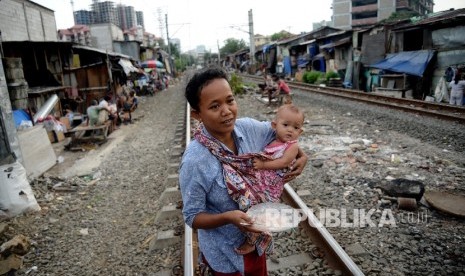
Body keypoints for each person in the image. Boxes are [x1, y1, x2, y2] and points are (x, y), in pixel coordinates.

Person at [179, 67, 308, 275]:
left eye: (230, 101)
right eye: (214, 106)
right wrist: (228, 217)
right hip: (226, 254)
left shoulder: (248, 129)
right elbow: (192, 216)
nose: (227, 111)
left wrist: (302, 155)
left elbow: (284, 132)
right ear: (197, 114)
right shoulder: (195, 161)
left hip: (258, 244)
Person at [235, 104, 304, 255]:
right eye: (285, 125)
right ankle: (251, 235)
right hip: (261, 184)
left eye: (296, 128)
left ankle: (253, 241)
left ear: (300, 131)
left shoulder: (292, 146)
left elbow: (284, 162)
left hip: (270, 188)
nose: (290, 130)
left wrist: (263, 164)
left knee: (261, 214)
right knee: (252, 210)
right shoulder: (272, 140)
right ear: (274, 125)